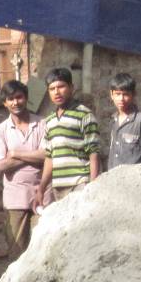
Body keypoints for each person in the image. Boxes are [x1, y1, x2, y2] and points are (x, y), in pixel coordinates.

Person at [0, 79, 48, 260]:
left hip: (43, 195)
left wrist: (15, 154)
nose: (16, 102)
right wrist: (33, 155)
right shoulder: (0, 131)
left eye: (19, 97)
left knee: (43, 250)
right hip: (15, 200)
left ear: (26, 98)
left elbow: (48, 155)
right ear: (5, 103)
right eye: (10, 99)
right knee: (17, 253)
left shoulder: (42, 124)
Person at [33, 66, 99, 206]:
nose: (56, 92)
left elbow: (93, 153)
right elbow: (49, 157)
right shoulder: (49, 120)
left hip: (80, 184)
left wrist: (93, 186)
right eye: (52, 89)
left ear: (71, 87)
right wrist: (41, 189)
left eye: (61, 86)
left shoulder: (85, 115)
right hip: (59, 187)